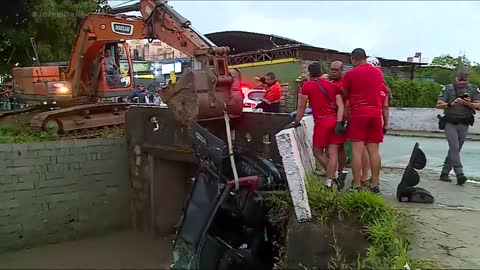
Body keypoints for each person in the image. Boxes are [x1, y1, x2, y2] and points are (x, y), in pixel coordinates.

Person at [293, 62, 346, 188]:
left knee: (317, 152)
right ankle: (329, 182)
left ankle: (333, 176)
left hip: (321, 123)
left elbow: (301, 107)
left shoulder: (307, 86)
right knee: (333, 153)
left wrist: (296, 121)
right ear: (322, 71)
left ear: (309, 73)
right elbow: (341, 106)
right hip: (334, 121)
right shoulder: (332, 86)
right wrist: (339, 122)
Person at [341, 48, 385, 193]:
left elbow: (345, 92)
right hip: (376, 114)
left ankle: (357, 185)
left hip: (359, 114)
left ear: (353, 59)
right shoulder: (378, 72)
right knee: (374, 151)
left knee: (357, 152)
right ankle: (375, 184)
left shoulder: (350, 74)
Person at [436, 69, 480, 185]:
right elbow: (438, 104)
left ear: (468, 79)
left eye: (464, 80)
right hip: (450, 121)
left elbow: (478, 105)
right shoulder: (448, 88)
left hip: (464, 122)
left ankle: (444, 172)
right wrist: (451, 103)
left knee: (456, 149)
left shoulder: (473, 89)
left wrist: (468, 103)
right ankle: (459, 173)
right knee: (454, 147)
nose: (461, 83)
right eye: (460, 80)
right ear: (456, 78)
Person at [360, 57, 390, 186]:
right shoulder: (383, 86)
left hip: (362, 116)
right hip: (377, 118)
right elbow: (385, 107)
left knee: (363, 149)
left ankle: (364, 176)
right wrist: (386, 123)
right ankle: (375, 180)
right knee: (375, 150)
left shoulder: (362, 82)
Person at [320, 61, 348, 185]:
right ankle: (335, 172)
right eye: (332, 69)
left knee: (338, 148)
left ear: (342, 70)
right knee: (331, 148)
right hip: (329, 118)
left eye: (336, 70)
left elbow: (347, 100)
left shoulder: (344, 83)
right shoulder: (329, 81)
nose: (333, 71)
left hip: (340, 118)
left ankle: (339, 172)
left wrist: (343, 118)